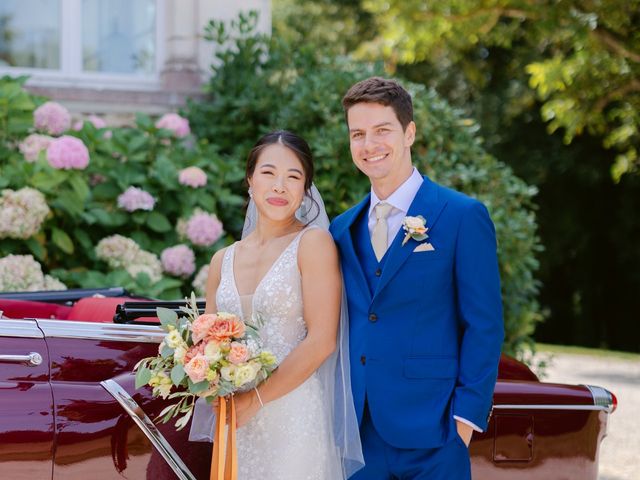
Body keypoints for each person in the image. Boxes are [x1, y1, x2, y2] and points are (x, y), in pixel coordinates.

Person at [329, 77, 504, 479]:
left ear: (409, 132)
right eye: (358, 134)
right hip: (358, 436)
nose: (369, 144)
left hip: (436, 433)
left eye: (381, 130)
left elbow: (484, 324)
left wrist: (464, 422)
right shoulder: (341, 229)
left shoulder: (461, 217)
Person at [189, 130, 364, 479]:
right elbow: (205, 344)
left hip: (293, 416)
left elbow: (322, 340)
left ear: (305, 189)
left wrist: (254, 401)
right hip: (235, 418)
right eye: (269, 173)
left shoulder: (313, 244)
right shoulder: (221, 259)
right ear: (250, 180)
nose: (280, 186)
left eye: (293, 177)